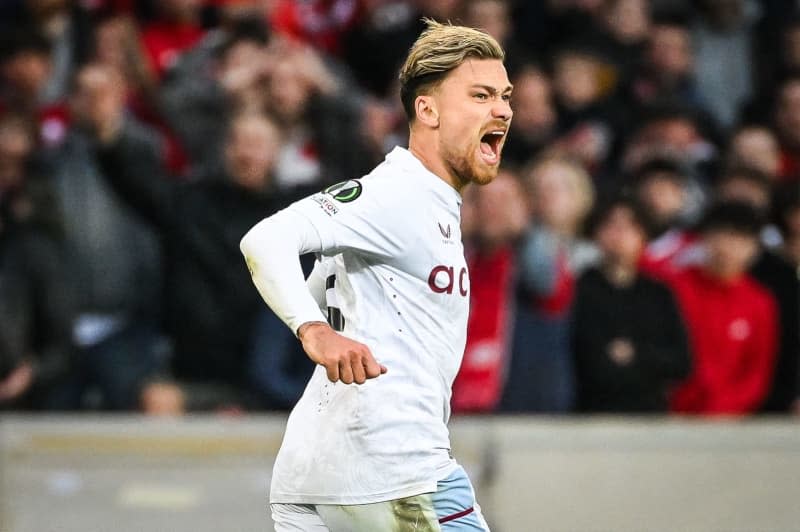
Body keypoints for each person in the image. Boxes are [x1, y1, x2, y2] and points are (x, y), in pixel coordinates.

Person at [240, 20, 511, 531]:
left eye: (503, 95)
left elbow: (327, 289)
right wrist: (314, 331)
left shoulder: (425, 206)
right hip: (395, 470)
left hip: (312, 473)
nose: (502, 109)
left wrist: (322, 321)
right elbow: (265, 240)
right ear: (426, 109)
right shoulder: (398, 195)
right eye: (480, 95)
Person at [572, 194, 690, 413]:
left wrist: (636, 354)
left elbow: (681, 362)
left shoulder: (659, 293)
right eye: (611, 224)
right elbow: (583, 359)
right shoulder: (579, 289)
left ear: (644, 235)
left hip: (649, 415)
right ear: (595, 232)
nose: (620, 234)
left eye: (630, 226)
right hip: (590, 414)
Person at [670, 201, 779, 415]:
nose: (727, 247)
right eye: (721, 235)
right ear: (705, 238)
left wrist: (724, 408)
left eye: (739, 239)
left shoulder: (759, 302)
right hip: (673, 415)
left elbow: (757, 372)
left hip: (730, 421)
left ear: (755, 248)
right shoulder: (674, 287)